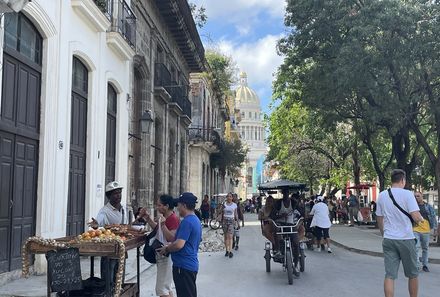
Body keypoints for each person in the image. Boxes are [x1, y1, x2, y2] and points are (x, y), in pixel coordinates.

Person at [376, 169, 424, 297]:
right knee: (413, 274)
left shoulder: (382, 195)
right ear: (403, 180)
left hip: (389, 239)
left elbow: (379, 218)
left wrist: (383, 233)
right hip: (406, 239)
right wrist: (422, 220)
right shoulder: (408, 194)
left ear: (392, 180)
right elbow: (415, 215)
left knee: (390, 275)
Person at [157, 193, 202, 297]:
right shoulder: (194, 220)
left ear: (184, 206)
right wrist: (163, 225)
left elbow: (179, 244)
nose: (177, 208)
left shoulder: (188, 222)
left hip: (183, 266)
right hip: (189, 265)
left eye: (179, 205)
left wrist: (167, 248)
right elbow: (174, 238)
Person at [88, 181, 128, 291]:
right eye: (115, 194)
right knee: (109, 276)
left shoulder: (124, 208)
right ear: (108, 196)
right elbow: (98, 221)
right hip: (110, 249)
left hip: (121, 247)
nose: (118, 196)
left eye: (119, 193)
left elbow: (127, 225)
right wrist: (96, 225)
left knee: (120, 275)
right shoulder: (104, 211)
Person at [139, 195, 180, 297]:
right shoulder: (165, 218)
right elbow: (158, 229)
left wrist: (163, 224)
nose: (157, 207)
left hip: (166, 255)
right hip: (162, 255)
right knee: (166, 287)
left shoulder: (172, 218)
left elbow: (171, 238)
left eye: (159, 205)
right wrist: (148, 218)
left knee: (161, 289)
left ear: (166, 206)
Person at [273, 189, 301, 276]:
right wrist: (281, 215)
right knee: (277, 231)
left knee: (296, 243)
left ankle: (296, 264)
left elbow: (301, 212)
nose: (285, 195)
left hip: (291, 225)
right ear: (282, 193)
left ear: (289, 194)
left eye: (287, 193)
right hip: (280, 224)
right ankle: (278, 250)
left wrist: (302, 217)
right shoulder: (278, 203)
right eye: (284, 193)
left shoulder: (294, 202)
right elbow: (273, 215)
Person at [413, 191, 438, 272]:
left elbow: (433, 217)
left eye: (418, 196)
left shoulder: (428, 206)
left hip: (426, 230)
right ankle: (417, 265)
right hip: (415, 230)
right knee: (416, 248)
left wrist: (435, 229)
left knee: (425, 248)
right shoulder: (412, 206)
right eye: (415, 196)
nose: (416, 198)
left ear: (422, 196)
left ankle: (425, 265)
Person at [221, 192, 239, 258]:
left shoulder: (234, 205)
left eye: (230, 196)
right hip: (225, 221)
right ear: (226, 198)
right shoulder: (224, 204)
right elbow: (221, 212)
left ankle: (230, 251)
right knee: (226, 236)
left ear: (232, 198)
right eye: (228, 196)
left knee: (230, 236)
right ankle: (227, 250)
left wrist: (238, 223)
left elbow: (236, 214)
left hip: (231, 221)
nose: (229, 197)